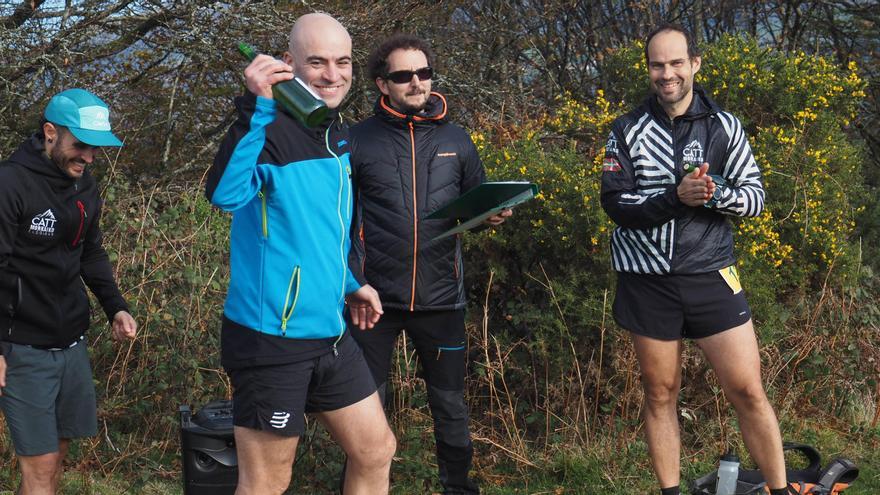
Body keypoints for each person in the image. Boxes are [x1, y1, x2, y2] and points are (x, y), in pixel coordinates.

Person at [205, 12, 396, 495]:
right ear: (289, 63)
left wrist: (353, 283)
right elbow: (225, 195)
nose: (332, 75)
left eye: (343, 62)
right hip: (271, 339)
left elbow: (322, 230)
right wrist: (254, 105)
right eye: (317, 62)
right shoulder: (265, 129)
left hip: (330, 332)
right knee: (268, 482)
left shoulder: (336, 132)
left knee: (376, 451)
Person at [599, 24, 790, 495]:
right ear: (648, 70)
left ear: (694, 64)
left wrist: (712, 192)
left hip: (711, 274)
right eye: (657, 65)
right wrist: (675, 197)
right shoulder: (625, 129)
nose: (667, 74)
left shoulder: (725, 126)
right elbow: (615, 204)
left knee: (747, 391)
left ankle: (782, 490)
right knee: (660, 393)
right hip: (648, 280)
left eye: (676, 63)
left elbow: (755, 200)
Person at [348, 34, 509, 495]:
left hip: (442, 298)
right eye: (403, 75)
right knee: (365, 408)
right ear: (383, 84)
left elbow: (472, 210)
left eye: (423, 73)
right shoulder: (356, 140)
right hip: (372, 300)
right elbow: (340, 220)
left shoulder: (457, 138)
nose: (416, 82)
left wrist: (490, 215)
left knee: (451, 407)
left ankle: (456, 488)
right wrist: (353, 282)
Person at [0, 88, 138, 495]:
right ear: (49, 133)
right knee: (40, 469)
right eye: (80, 145)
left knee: (55, 460)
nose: (90, 157)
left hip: (71, 342)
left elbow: (90, 251)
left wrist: (116, 306)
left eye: (96, 149)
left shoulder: (84, 185)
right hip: (22, 347)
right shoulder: (9, 183)